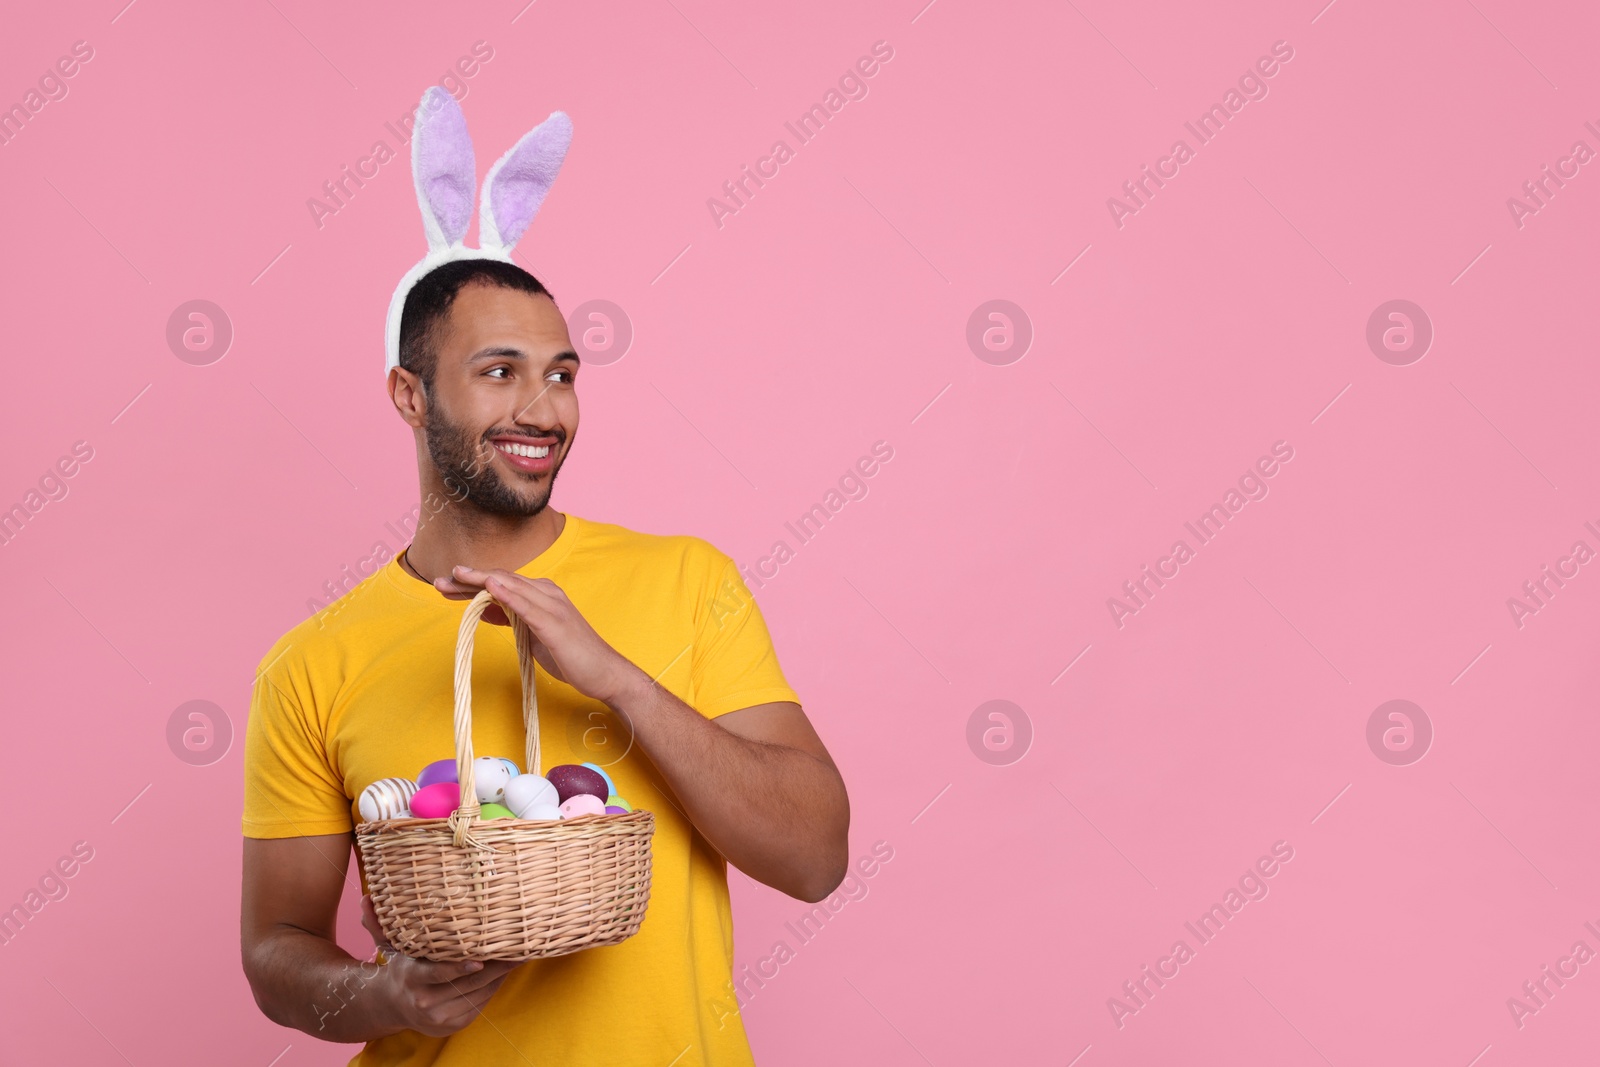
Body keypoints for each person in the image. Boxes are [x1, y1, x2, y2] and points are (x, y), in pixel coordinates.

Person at [239, 256, 851, 1066]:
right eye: (500, 371)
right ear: (409, 394)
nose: (543, 408)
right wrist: (385, 998)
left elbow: (816, 858)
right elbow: (276, 947)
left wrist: (618, 680)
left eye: (561, 375)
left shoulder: (689, 581)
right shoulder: (311, 662)